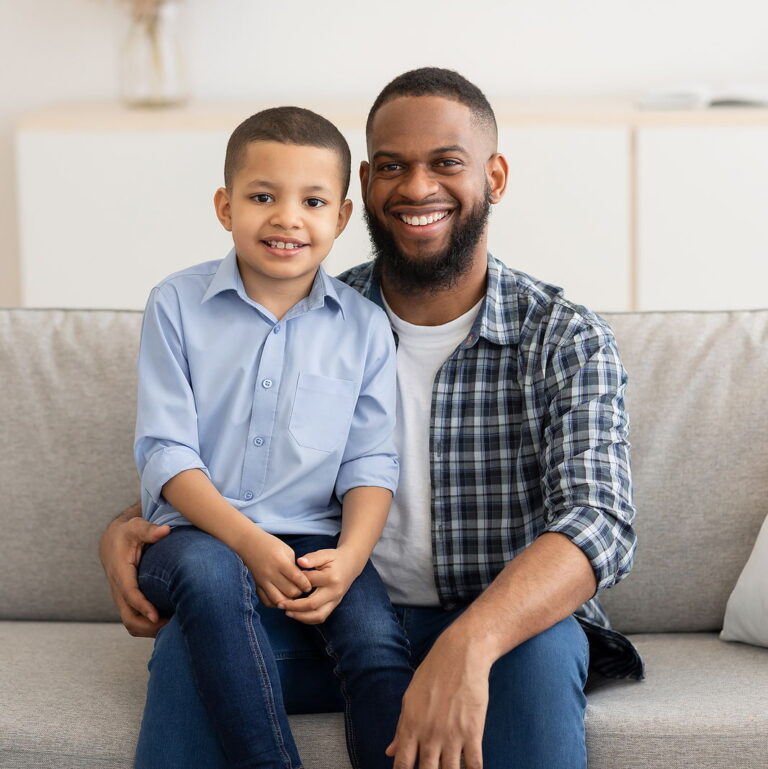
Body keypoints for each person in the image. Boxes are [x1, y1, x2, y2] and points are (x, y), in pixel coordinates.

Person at [101, 68, 642, 769]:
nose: (417, 188)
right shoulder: (307, 306)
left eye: (446, 163)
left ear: (496, 176)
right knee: (188, 647)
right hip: (321, 616)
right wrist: (125, 528)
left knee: (542, 650)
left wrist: (468, 642)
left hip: (498, 628)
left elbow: (598, 521)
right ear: (364, 185)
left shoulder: (564, 337)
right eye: (393, 167)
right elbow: (229, 455)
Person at [129, 106, 413, 769]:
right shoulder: (175, 304)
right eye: (263, 197)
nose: (288, 218)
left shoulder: (366, 327)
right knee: (214, 575)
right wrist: (250, 541)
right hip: (192, 539)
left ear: (341, 218)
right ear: (226, 207)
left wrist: (350, 555)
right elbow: (167, 453)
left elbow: (372, 459)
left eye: (312, 201)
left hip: (316, 535)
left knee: (375, 637)